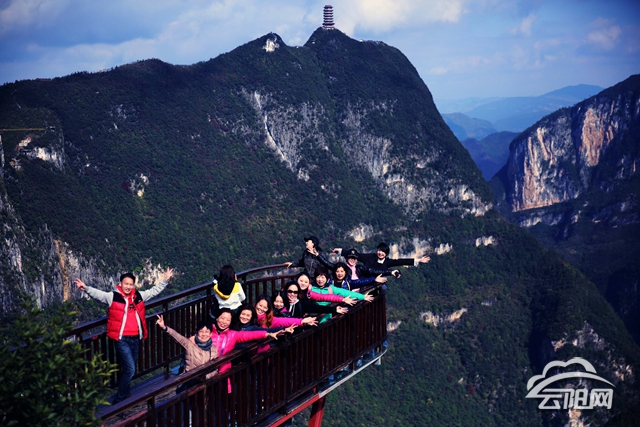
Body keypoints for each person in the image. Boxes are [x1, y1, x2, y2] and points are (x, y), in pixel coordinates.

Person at [74, 268, 174, 404]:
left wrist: (165, 280)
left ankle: (126, 395)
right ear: (120, 283)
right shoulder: (113, 297)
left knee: (128, 368)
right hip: (122, 339)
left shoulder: (138, 296)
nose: (128, 286)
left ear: (133, 285)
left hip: (135, 338)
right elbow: (99, 295)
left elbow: (153, 291)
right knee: (131, 369)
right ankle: (120, 400)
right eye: (126, 283)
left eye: (130, 284)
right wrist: (86, 288)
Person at [156, 315, 218, 392]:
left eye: (207, 332)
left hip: (205, 384)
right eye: (201, 331)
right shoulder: (190, 345)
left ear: (211, 334)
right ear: (197, 332)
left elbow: (215, 369)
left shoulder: (214, 349)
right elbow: (178, 337)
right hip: (189, 382)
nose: (204, 334)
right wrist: (164, 327)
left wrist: (205, 377)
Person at [334, 242, 430, 274]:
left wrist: (418, 260)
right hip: (366, 283)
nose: (380, 253)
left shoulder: (387, 262)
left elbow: (401, 261)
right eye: (379, 250)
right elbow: (356, 255)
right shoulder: (369, 257)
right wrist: (340, 251)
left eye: (383, 252)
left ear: (386, 254)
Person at [284, 282, 348, 319]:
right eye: (290, 291)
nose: (292, 294)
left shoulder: (301, 303)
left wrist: (334, 309)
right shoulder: (281, 302)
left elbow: (317, 308)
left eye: (295, 292)